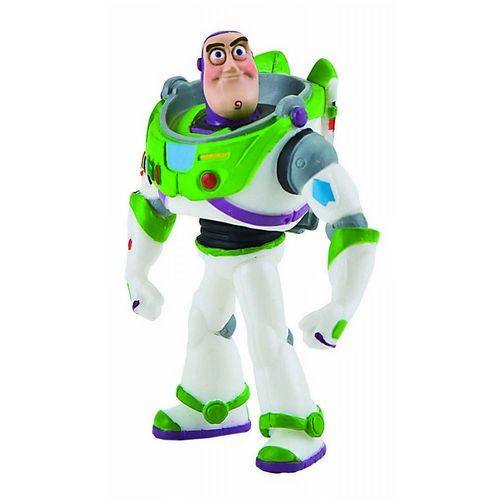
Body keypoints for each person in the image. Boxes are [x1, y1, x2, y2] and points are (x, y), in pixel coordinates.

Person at [125, 30, 379, 473]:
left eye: (240, 52)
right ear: (201, 71)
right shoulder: (176, 134)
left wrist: (341, 304)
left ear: (255, 65)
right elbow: (151, 203)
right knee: (204, 325)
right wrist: (137, 273)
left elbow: (348, 219)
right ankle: (214, 403)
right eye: (217, 55)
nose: (231, 64)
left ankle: (297, 427)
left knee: (266, 337)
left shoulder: (290, 142)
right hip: (215, 255)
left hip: (257, 260)